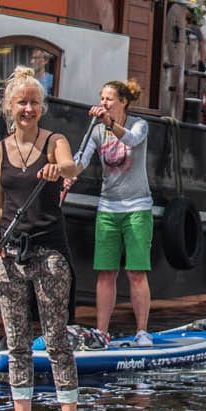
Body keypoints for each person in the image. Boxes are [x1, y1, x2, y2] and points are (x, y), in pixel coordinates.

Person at [0, 66, 80, 411]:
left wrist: (62, 169)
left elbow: (74, 165)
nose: (29, 109)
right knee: (16, 343)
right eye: (22, 102)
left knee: (56, 340)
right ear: (10, 106)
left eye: (35, 103)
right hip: (9, 255)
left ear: (43, 107)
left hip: (49, 254)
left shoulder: (54, 140)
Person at [73, 79, 154, 344]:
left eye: (109, 99)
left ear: (123, 102)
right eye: (102, 98)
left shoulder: (139, 125)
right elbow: (81, 160)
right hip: (107, 208)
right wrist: (66, 173)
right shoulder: (96, 131)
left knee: (135, 272)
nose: (103, 103)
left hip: (137, 209)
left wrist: (109, 123)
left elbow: (131, 140)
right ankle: (102, 332)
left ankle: (142, 331)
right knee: (106, 273)